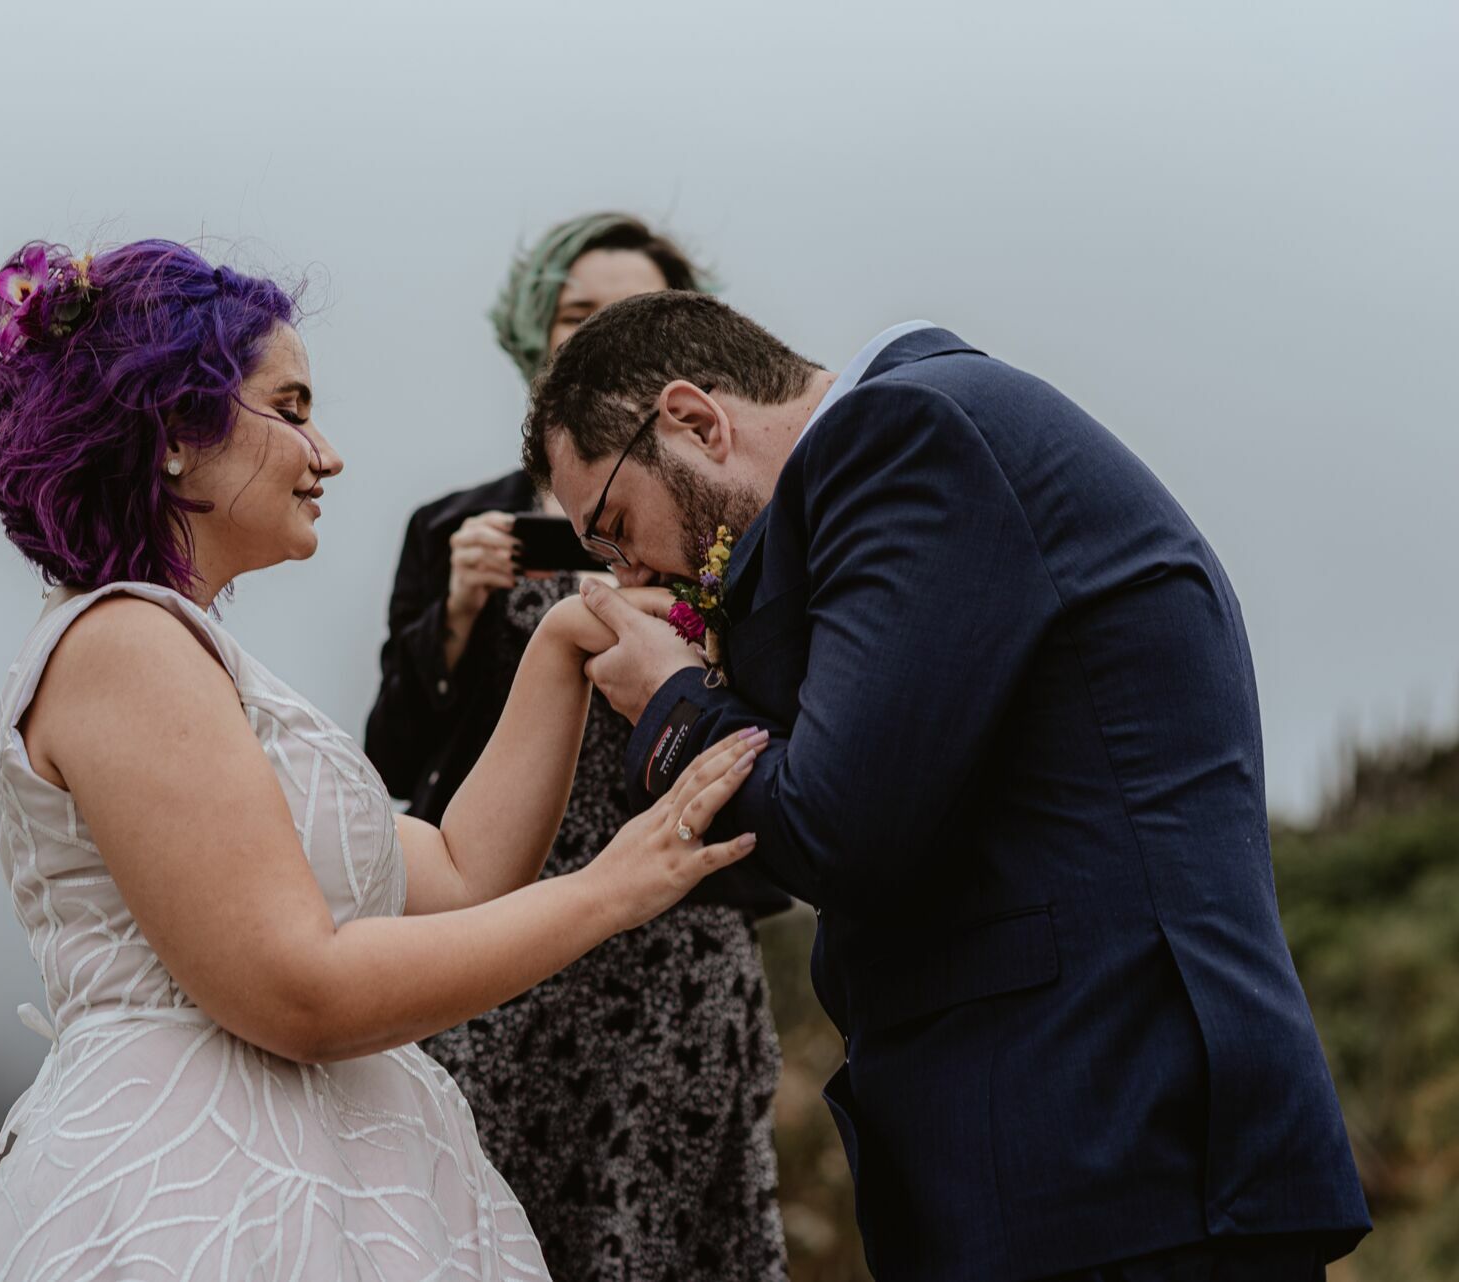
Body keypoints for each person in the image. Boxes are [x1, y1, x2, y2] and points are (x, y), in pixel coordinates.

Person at [0, 240, 765, 1282]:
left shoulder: (195, 657)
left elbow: (459, 867)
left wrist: (558, 646)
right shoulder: (124, 645)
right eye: (293, 406)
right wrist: (610, 890)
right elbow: (300, 992)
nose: (328, 453)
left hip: (329, 1174)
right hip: (197, 1193)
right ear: (177, 429)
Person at [523, 295, 1372, 1282]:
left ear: (698, 421)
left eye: (617, 527)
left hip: (1110, 1153)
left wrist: (671, 702)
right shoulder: (936, 438)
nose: (629, 570)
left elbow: (838, 825)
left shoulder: (907, 437)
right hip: (1080, 1162)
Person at [365, 213, 790, 1282]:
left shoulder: (729, 512)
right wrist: (456, 615)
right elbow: (393, 752)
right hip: (502, 940)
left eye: (632, 312)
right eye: (576, 315)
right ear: (534, 334)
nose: (599, 334)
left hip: (679, 947)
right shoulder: (458, 524)